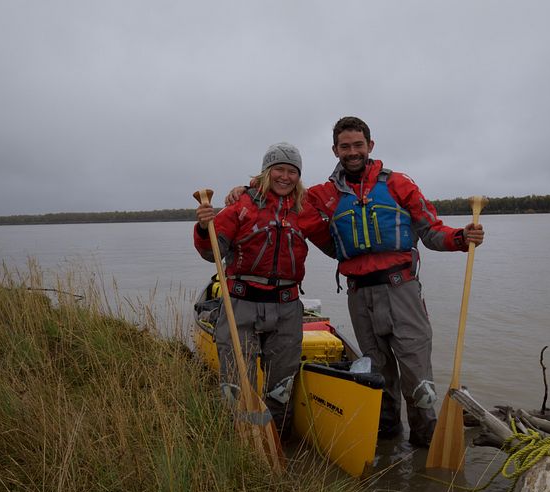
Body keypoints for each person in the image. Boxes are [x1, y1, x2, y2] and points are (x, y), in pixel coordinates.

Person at [227, 118, 484, 447]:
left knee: (417, 376)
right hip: (359, 294)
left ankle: (424, 442)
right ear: (335, 150)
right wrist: (251, 186)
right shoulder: (325, 194)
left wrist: (461, 237)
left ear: (370, 146)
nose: (352, 152)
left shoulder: (398, 184)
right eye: (345, 147)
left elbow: (431, 230)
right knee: (377, 371)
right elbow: (285, 195)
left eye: (358, 145)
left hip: (402, 288)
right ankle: (387, 438)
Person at [194, 142, 331, 439]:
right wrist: (205, 229)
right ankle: (243, 443)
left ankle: (278, 441)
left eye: (292, 171)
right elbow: (211, 252)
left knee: (281, 387)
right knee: (237, 384)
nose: (285, 177)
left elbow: (333, 244)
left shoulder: (305, 209)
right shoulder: (242, 204)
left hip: (286, 308)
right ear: (267, 172)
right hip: (241, 304)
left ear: (299, 176)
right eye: (279, 169)